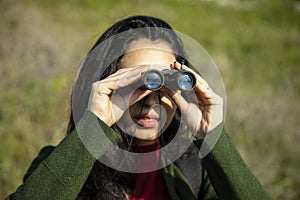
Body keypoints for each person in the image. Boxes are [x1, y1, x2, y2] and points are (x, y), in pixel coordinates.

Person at [7, 15, 270, 200]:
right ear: (108, 83)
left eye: (165, 81)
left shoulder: (197, 173)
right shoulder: (60, 167)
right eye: (137, 80)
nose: (151, 98)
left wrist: (212, 135)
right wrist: (92, 131)